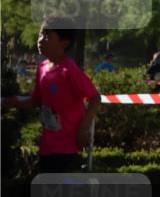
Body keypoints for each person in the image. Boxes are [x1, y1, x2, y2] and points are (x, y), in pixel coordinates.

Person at [2, 18, 100, 173]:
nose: (40, 40)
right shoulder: (42, 69)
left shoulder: (69, 71)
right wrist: (8, 102)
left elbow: (95, 98)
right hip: (47, 146)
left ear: (64, 42)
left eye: (47, 35)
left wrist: (84, 129)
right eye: (40, 34)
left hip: (68, 148)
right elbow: (35, 100)